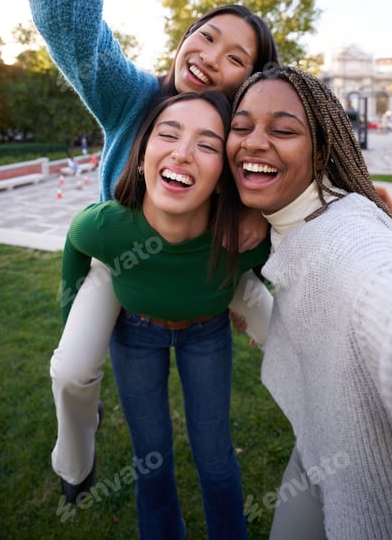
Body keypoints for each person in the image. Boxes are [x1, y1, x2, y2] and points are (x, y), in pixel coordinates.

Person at [21, 0, 279, 504]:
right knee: (72, 372)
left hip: (210, 273)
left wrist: (263, 225)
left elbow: (299, 183)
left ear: (252, 84)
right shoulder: (134, 98)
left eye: (235, 57)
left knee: (289, 338)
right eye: (205, 34)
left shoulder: (248, 141)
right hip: (124, 261)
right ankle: (76, 466)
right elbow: (71, 21)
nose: (209, 54)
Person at [226, 66, 392, 539]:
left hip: (381, 480)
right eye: (241, 126)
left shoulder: (343, 235)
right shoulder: (298, 213)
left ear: (323, 149)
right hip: (323, 436)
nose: (252, 142)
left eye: (283, 130)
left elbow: (389, 297)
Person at [62, 92, 270, 539]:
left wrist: (256, 289)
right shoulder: (105, 226)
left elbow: (274, 261)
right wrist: (71, 317)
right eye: (169, 135)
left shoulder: (244, 236)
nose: (182, 153)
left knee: (215, 459)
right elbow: (75, 247)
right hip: (135, 335)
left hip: (207, 336)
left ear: (221, 179)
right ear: (140, 157)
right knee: (150, 457)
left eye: (208, 145)